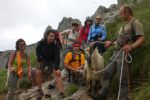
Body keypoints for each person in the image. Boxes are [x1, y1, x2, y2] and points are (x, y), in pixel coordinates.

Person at [98, 5, 145, 100]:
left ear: (127, 12)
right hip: (116, 53)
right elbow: (120, 41)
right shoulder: (123, 26)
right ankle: (102, 95)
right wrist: (110, 43)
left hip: (125, 54)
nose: (120, 16)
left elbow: (141, 38)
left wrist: (132, 46)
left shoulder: (136, 23)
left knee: (122, 79)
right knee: (107, 72)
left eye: (121, 13)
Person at [36, 29, 64, 99]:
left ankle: (61, 93)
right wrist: (39, 59)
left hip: (52, 59)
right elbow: (37, 50)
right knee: (38, 72)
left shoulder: (56, 44)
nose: (52, 37)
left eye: (53, 36)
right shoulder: (41, 42)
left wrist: (57, 68)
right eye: (50, 36)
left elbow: (57, 57)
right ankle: (40, 91)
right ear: (46, 36)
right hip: (43, 59)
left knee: (57, 73)